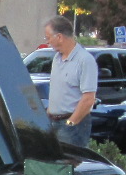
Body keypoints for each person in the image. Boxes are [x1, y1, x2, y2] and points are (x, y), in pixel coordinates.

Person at [42, 16, 97, 148]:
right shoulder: (56, 59)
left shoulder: (85, 60)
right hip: (53, 122)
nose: (47, 42)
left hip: (72, 125)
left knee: (70, 160)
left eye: (48, 37)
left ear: (59, 37)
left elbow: (88, 99)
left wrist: (70, 123)